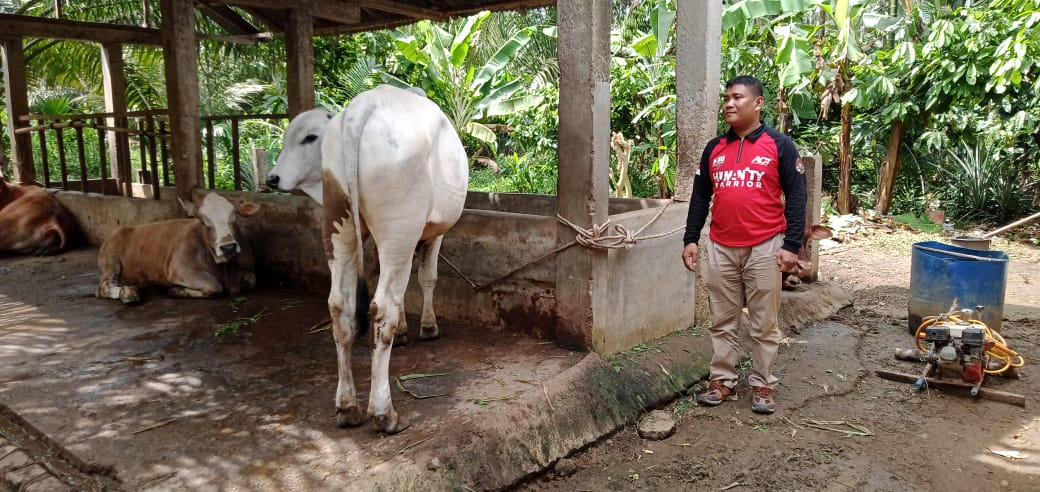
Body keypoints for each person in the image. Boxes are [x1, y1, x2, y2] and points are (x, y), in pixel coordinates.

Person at [681, 75, 806, 414]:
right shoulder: (714, 149)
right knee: (722, 318)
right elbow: (699, 197)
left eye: (737, 98)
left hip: (766, 245)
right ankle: (723, 380)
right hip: (721, 245)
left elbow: (797, 196)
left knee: (765, 322)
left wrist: (791, 245)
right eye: (726, 98)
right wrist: (691, 238)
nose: (729, 104)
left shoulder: (779, 146)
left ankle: (763, 384)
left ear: (758, 103)